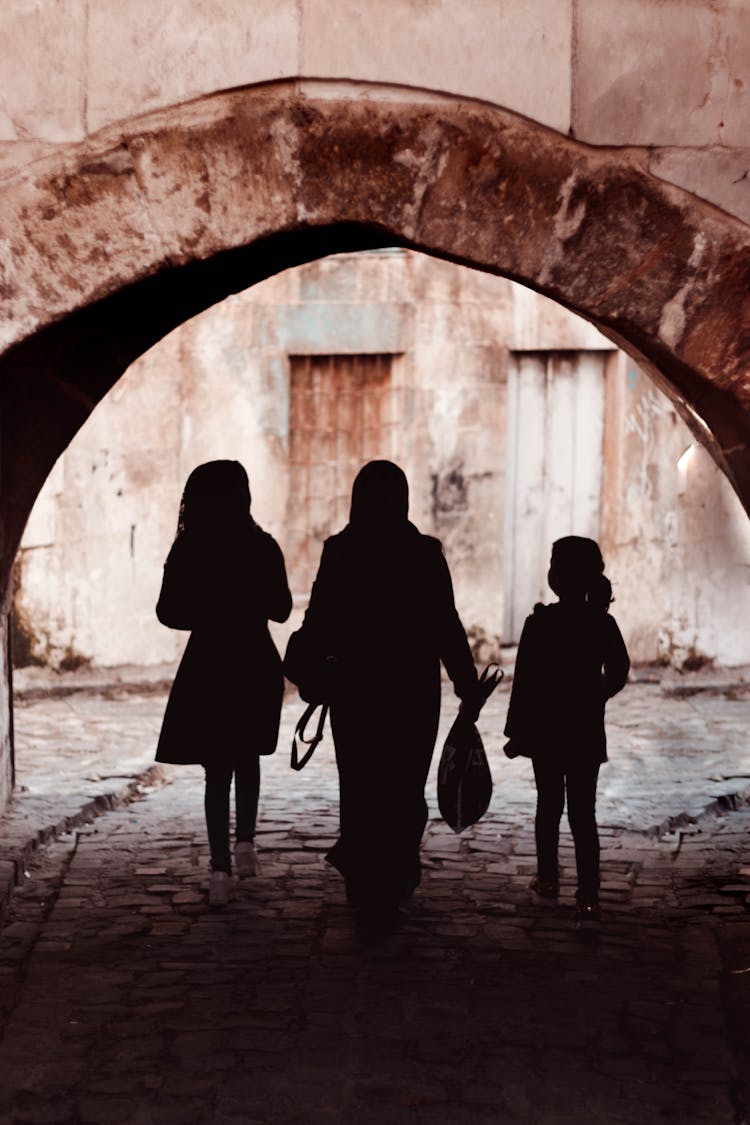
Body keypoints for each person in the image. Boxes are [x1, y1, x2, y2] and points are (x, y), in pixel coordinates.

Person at [300, 460, 479, 924]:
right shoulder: (423, 552)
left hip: (357, 692)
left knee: (361, 787)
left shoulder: (341, 551)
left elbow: (320, 618)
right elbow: (446, 622)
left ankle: (363, 882)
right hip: (412, 693)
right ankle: (397, 874)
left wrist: (313, 667)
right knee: (403, 787)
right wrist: (465, 681)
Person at [155, 460, 292, 907]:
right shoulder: (263, 545)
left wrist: (208, 609)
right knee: (247, 754)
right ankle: (246, 844)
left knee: (217, 768)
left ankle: (219, 869)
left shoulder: (189, 548)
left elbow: (168, 612)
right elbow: (282, 609)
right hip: (254, 659)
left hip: (210, 662)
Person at [503, 536, 629, 928]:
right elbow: (620, 670)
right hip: (585, 731)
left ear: (555, 577)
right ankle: (588, 896)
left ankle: (548, 878)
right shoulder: (602, 623)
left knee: (548, 805)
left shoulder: (539, 624)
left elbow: (522, 684)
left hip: (545, 731)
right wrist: (596, 696)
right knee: (582, 813)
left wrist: (517, 732)